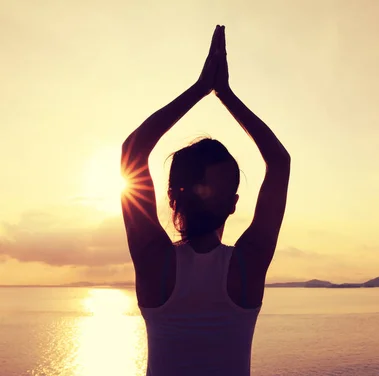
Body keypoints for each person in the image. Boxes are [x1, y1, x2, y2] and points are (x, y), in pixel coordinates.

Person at [120, 25, 291, 376]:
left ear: (172, 197)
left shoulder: (156, 261)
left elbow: (132, 152)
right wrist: (224, 93)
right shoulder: (246, 265)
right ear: (234, 203)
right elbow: (280, 162)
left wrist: (199, 89)